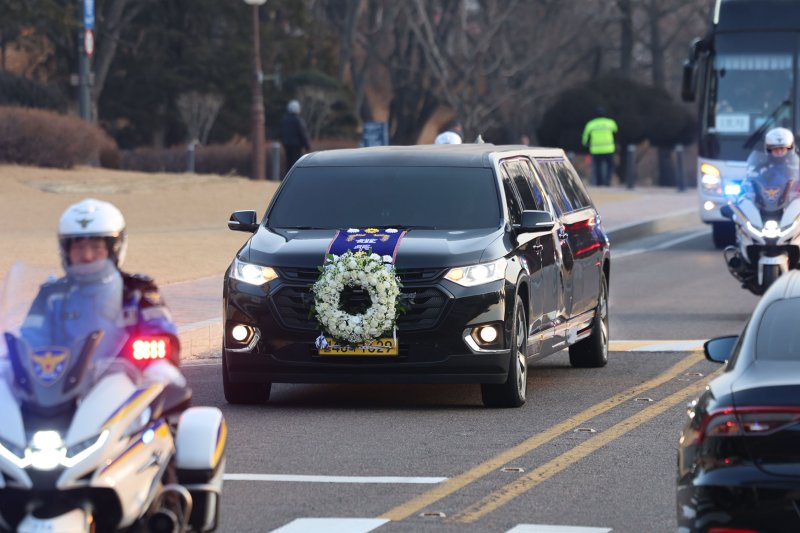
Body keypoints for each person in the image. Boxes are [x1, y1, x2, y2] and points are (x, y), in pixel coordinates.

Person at [21, 198, 183, 379]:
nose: (87, 256)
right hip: (58, 389)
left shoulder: (137, 291)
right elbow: (29, 340)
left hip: (128, 388)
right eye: (79, 247)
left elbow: (163, 335)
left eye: (96, 247)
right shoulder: (51, 295)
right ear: (66, 251)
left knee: (167, 377)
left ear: (114, 249)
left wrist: (154, 358)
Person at [581, 107, 618, 186]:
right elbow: (616, 131)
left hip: (596, 149)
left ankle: (599, 182)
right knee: (609, 166)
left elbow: (585, 136)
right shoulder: (610, 122)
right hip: (609, 149)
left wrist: (584, 143)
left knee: (597, 166)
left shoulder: (591, 124)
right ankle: (608, 181)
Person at [279, 99, 311, 178]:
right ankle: (295, 178)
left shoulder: (285, 120)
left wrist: (284, 142)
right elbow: (302, 133)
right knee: (296, 164)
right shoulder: (298, 120)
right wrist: (307, 145)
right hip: (297, 146)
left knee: (288, 164)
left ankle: (287, 179)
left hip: (287, 145)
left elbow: (281, 133)